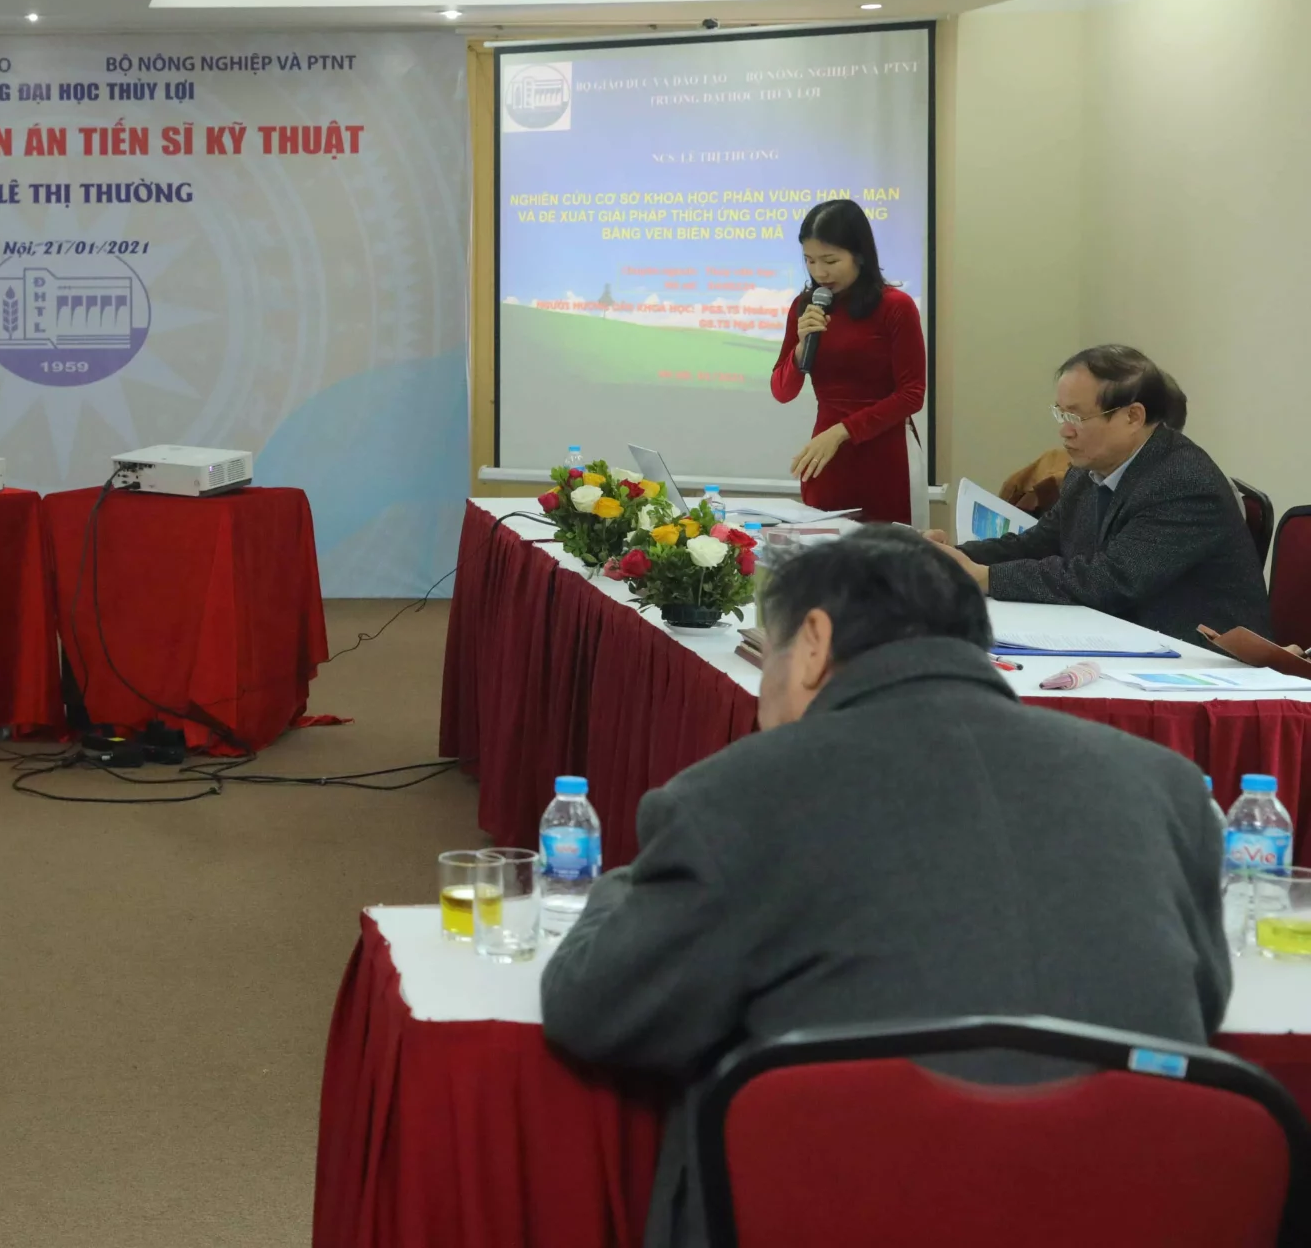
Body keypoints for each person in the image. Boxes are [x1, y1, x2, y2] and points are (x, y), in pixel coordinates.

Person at [542, 527, 1228, 1248]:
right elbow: (1204, 1003)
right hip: (1131, 1213)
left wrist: (621, 885)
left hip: (843, 1209)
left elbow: (597, 1008)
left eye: (767, 653)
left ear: (813, 642)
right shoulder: (1166, 786)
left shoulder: (737, 795)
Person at [934, 344, 1270, 645]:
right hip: (1120, 635)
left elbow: (1111, 580)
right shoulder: (1089, 468)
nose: (1064, 430)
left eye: (1077, 417)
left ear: (1132, 416)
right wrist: (942, 558)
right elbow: (1037, 543)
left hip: (1198, 659)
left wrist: (988, 578)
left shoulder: (1183, 482)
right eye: (1061, 413)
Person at [768, 198, 926, 525]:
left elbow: (912, 394)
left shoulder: (896, 306)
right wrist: (800, 348)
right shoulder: (805, 306)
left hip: (885, 457)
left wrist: (842, 431)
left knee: (887, 553)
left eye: (830, 260)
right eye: (809, 260)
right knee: (824, 551)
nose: (819, 272)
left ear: (860, 255)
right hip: (826, 459)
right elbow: (782, 392)